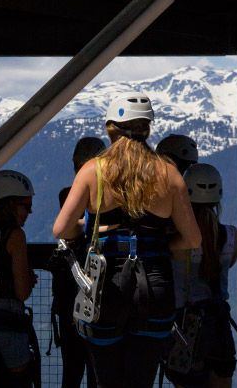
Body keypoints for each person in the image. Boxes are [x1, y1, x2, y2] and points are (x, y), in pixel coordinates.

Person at [53, 92, 202, 388]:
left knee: (106, 380)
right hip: (156, 283)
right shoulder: (169, 174)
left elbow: (61, 229)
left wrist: (88, 228)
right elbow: (193, 239)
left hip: (105, 284)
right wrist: (164, 244)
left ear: (111, 128)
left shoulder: (92, 170)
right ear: (147, 128)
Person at [166, 163, 237, 388]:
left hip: (186, 330)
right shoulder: (231, 237)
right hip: (220, 328)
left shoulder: (177, 242)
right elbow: (227, 265)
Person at [0, 170, 39, 388]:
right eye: (26, 206)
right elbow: (22, 292)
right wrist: (29, 278)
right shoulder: (15, 236)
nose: (29, 212)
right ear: (11, 204)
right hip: (8, 323)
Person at [51, 137, 106, 388]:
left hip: (69, 294)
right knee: (97, 368)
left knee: (72, 369)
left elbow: (66, 230)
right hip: (99, 294)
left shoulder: (68, 197)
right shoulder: (108, 203)